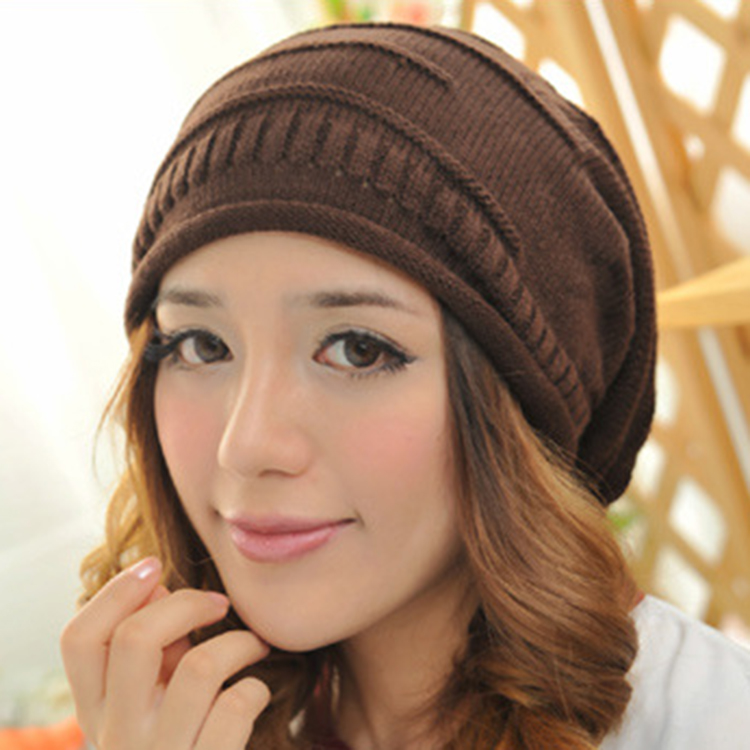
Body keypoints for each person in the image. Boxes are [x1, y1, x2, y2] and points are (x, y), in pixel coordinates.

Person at [60, 21, 750, 750]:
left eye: (357, 350)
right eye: (202, 345)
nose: (247, 445)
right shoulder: (192, 723)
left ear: (520, 404)